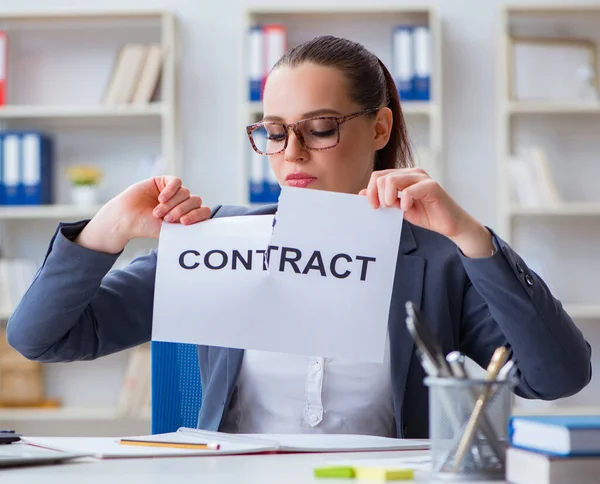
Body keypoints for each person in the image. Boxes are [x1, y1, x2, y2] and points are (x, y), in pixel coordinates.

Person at [7, 36, 591, 439]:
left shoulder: (439, 258)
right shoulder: (220, 243)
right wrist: (106, 231)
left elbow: (559, 377)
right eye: (273, 132)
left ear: (380, 127)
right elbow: (42, 338)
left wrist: (473, 237)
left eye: (319, 129)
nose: (292, 153)